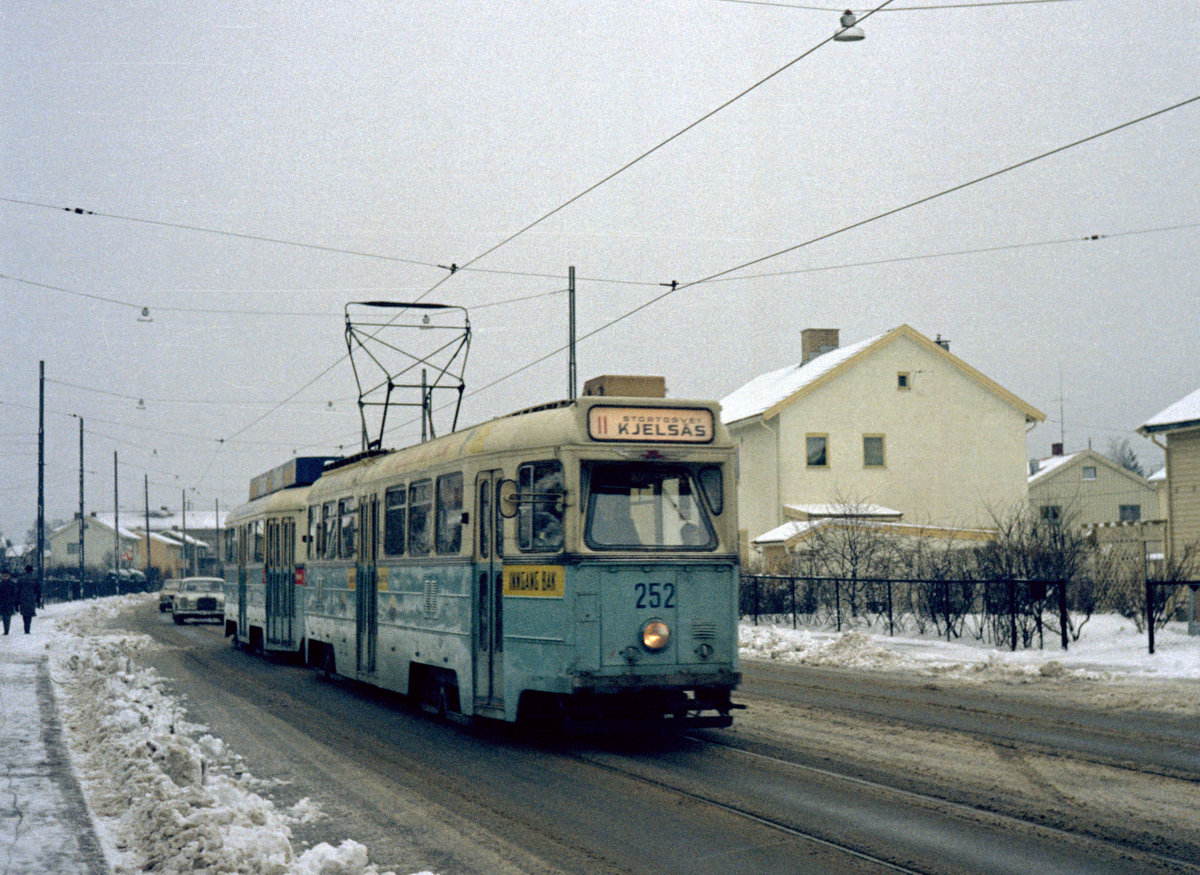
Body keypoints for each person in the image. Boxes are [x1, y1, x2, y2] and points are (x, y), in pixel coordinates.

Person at [17, 564, 39, 634]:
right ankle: (27, 629)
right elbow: (38, 589)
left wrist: (17, 600)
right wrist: (37, 598)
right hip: (31, 598)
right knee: (29, 614)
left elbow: (17, 589)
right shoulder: (34, 578)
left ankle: (25, 628)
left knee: (24, 613)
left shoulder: (21, 579)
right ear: (32, 570)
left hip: (22, 598)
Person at [0, 569, 16, 635]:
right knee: (5, 617)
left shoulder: (11, 584)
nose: (5, 577)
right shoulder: (10, 584)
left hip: (8, 602)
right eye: (4, 576)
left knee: (6, 617)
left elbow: (14, 593)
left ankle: (6, 630)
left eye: (6, 576)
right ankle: (6, 629)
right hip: (3, 602)